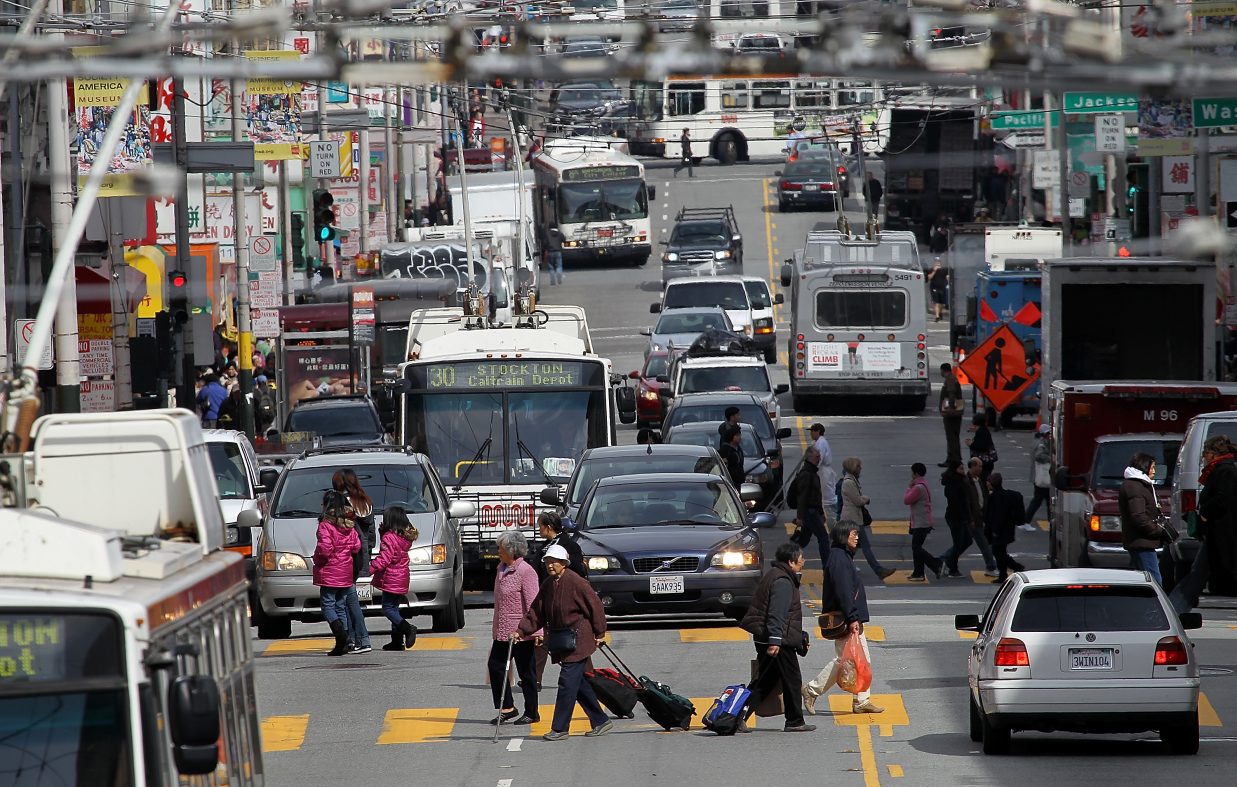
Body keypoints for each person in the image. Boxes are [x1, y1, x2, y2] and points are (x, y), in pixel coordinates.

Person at [517, 544, 611, 741]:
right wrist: (521, 630)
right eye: (548, 562)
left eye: (554, 562)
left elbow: (595, 607)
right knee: (578, 684)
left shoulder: (577, 582)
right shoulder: (548, 584)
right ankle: (600, 719)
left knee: (566, 683)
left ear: (564, 564)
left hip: (579, 640)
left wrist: (600, 632)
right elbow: (536, 612)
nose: (550, 566)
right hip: (563, 640)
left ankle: (559, 728)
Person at [803, 523, 884, 715]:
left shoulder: (842, 557)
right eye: (853, 534)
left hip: (849, 618)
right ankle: (811, 690)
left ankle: (861, 700)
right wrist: (853, 618)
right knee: (845, 660)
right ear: (843, 536)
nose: (857, 537)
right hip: (846, 620)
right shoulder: (839, 559)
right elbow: (844, 592)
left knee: (859, 660)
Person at [738, 542, 815, 733]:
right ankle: (795, 721)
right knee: (792, 680)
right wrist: (775, 640)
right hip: (777, 641)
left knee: (765, 681)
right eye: (800, 558)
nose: (803, 562)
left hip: (773, 638)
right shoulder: (782, 581)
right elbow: (776, 614)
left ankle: (737, 715)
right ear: (791, 561)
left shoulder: (776, 575)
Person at [1170, 435, 1237, 612]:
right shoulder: (1221, 469)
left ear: (1213, 454)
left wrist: (1205, 511)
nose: (1203, 458)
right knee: (1198, 572)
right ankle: (1177, 607)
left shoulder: (1225, 471)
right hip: (1217, 532)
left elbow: (1223, 498)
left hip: (1223, 531)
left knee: (1198, 572)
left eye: (1205, 453)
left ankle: (1176, 607)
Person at [488, 530, 541, 725]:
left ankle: (532, 712)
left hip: (521, 631)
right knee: (495, 666)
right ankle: (508, 707)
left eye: (500, 548)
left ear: (512, 550)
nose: (498, 551)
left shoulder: (526, 572)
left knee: (526, 672)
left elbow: (534, 604)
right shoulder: (501, 569)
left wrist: (536, 631)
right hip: (503, 631)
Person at [313, 491, 361, 657]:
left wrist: (317, 560)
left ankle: (340, 636)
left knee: (327, 605)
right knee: (340, 605)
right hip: (346, 571)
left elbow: (324, 549)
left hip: (330, 570)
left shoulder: (326, 525)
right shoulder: (349, 525)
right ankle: (347, 639)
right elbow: (356, 546)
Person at [333, 469, 374, 654]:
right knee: (350, 599)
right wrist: (368, 551)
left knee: (349, 600)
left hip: (347, 557)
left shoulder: (342, 503)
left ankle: (359, 639)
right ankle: (356, 639)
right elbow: (371, 533)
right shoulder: (365, 501)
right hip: (362, 555)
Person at [369, 506, 419, 651]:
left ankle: (408, 628)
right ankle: (396, 641)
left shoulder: (389, 537)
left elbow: (385, 558)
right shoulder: (403, 538)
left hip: (391, 577)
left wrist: (371, 568)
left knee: (387, 608)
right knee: (394, 608)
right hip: (402, 577)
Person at [839, 457, 895, 579]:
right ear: (853, 467)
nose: (860, 469)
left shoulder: (852, 480)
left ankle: (843, 568)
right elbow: (858, 501)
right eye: (858, 466)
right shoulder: (849, 482)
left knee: (852, 547)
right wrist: (866, 498)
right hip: (852, 520)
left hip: (854, 519)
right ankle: (878, 570)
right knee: (864, 546)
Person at [1119, 452, 1165, 586]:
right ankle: (1154, 607)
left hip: (1142, 540)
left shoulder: (1139, 485)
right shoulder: (1135, 486)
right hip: (1141, 541)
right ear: (1144, 467)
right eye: (1152, 467)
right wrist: (1156, 530)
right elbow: (1138, 516)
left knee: (1143, 580)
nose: (1154, 471)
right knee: (1154, 582)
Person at [904, 463, 943, 581]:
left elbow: (907, 500)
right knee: (917, 547)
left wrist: (908, 487)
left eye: (912, 472)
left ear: (916, 473)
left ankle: (936, 564)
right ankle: (918, 572)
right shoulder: (923, 484)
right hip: (922, 521)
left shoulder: (918, 487)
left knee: (916, 548)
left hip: (921, 522)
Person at [984, 473, 1025, 583]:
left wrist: (995, 530)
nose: (987, 484)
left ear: (993, 483)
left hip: (1000, 531)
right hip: (1006, 529)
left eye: (988, 482)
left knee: (998, 552)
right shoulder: (1004, 496)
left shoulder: (996, 497)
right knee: (1000, 552)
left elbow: (997, 516)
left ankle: (1016, 566)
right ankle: (1003, 574)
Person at [792, 446, 827, 566]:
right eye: (817, 457)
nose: (819, 459)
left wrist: (821, 512)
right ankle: (827, 567)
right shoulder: (806, 474)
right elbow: (802, 497)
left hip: (813, 511)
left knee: (802, 541)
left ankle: (787, 559)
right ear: (810, 457)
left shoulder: (812, 473)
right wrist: (800, 517)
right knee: (823, 538)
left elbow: (817, 497)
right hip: (809, 513)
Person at [937, 460, 969, 578]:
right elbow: (957, 502)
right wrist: (964, 517)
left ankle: (946, 559)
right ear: (954, 470)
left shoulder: (959, 481)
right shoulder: (954, 483)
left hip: (958, 516)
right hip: (955, 517)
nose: (963, 471)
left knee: (967, 540)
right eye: (960, 468)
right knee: (958, 543)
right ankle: (953, 568)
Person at [534, 511, 587, 581]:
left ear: (548, 527)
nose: (539, 529)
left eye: (540, 526)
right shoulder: (543, 547)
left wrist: (567, 557)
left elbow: (580, 571)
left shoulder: (570, 546)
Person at [1023, 424, 1052, 531]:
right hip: (1041, 476)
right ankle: (1026, 521)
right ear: (1045, 434)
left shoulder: (1036, 441)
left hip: (1037, 476)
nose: (1050, 436)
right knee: (1039, 500)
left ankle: (1050, 522)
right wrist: (1051, 459)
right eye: (1049, 433)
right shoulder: (1041, 443)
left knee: (1045, 500)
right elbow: (1039, 456)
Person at [810, 423, 838, 528]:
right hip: (824, 471)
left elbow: (819, 458)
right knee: (827, 494)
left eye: (812, 431)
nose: (811, 433)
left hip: (823, 471)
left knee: (828, 496)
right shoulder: (819, 442)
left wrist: (813, 469)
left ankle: (834, 518)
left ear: (818, 431)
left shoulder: (820, 443)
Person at [938, 364, 964, 468]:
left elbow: (951, 393)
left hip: (952, 414)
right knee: (953, 437)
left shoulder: (950, 379)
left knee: (952, 437)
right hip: (953, 414)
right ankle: (954, 458)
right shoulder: (952, 378)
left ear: (943, 370)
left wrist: (950, 407)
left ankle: (953, 459)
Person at [966, 412, 996, 482]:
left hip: (984, 463)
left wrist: (970, 444)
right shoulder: (983, 430)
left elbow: (980, 446)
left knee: (983, 483)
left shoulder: (981, 432)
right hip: (986, 463)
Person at [719, 423, 745, 489]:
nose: (740, 437)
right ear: (731, 436)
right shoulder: (725, 451)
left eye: (740, 435)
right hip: (730, 485)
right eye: (737, 435)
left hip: (739, 484)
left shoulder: (738, 449)